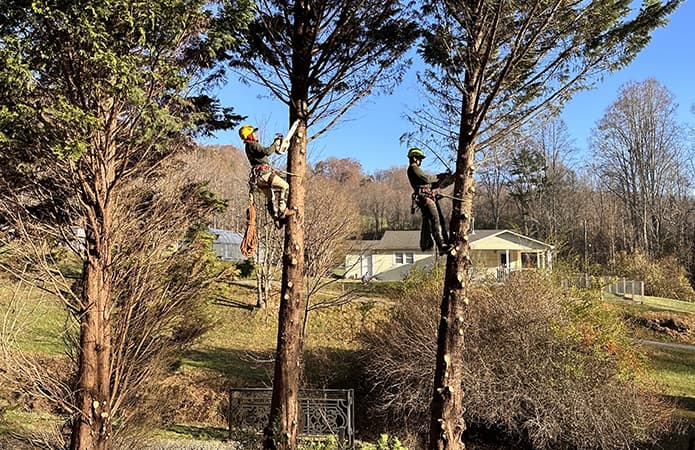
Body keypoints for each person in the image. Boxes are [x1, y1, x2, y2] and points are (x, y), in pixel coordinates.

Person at [239, 124, 294, 221]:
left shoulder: (248, 147)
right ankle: (282, 210)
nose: (256, 134)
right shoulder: (253, 144)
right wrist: (275, 144)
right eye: (254, 133)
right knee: (285, 186)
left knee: (270, 197)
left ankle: (276, 218)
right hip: (265, 174)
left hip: (258, 178)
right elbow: (267, 152)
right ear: (249, 135)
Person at [406, 147, 453, 254]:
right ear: (414, 158)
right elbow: (427, 179)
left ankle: (446, 243)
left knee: (440, 220)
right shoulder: (413, 169)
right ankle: (441, 245)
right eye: (419, 158)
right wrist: (439, 175)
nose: (420, 161)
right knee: (435, 221)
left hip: (429, 197)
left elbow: (432, 184)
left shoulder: (417, 171)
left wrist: (447, 179)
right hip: (425, 198)